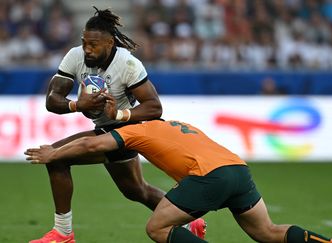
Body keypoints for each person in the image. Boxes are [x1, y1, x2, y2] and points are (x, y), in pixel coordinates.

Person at [25, 93, 332, 243]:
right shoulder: (176, 123)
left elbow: (94, 145)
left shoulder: (137, 130)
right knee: (267, 233)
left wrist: (54, 153)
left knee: (156, 229)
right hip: (238, 170)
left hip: (209, 176)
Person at [30, 7, 205, 243]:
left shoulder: (128, 64)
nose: (87, 49)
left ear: (110, 43)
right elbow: (52, 100)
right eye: (84, 43)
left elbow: (154, 107)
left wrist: (120, 114)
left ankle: (63, 233)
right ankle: (189, 220)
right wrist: (77, 106)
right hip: (104, 128)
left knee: (57, 156)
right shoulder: (75, 56)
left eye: (93, 45)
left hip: (127, 130)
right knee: (136, 190)